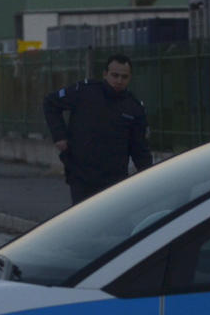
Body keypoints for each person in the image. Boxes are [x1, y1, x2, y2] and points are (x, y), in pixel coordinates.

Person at [43, 53, 152, 204]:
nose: (119, 81)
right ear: (105, 74)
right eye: (115, 75)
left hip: (114, 180)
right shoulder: (85, 92)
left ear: (130, 78)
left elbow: (140, 149)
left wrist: (149, 178)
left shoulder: (133, 107)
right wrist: (59, 136)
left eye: (124, 77)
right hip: (81, 175)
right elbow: (50, 103)